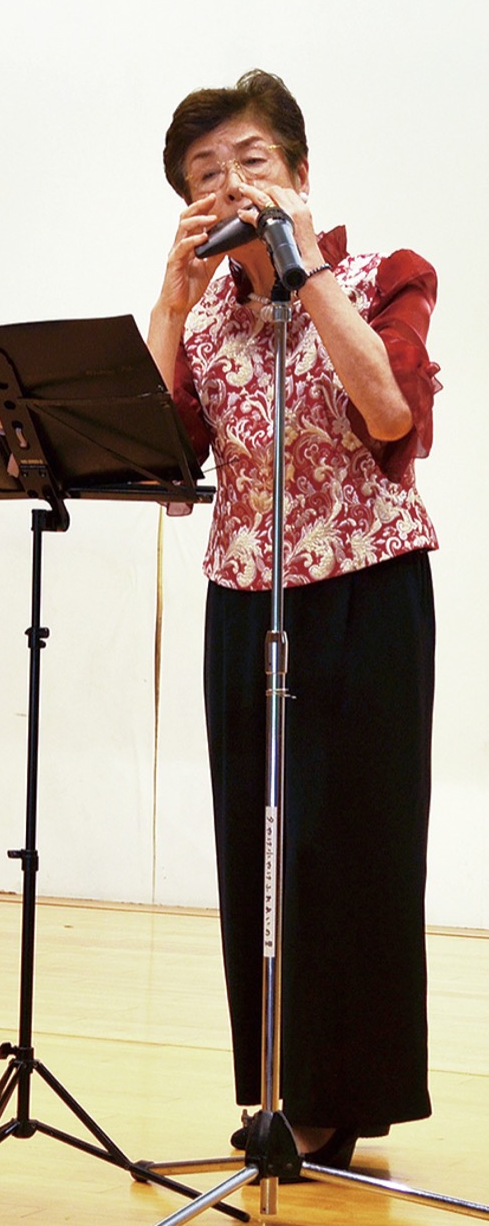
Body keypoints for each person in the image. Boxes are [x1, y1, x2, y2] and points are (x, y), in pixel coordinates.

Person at [147, 71, 439, 1171]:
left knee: (353, 844)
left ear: (302, 172)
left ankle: (348, 1094)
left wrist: (306, 270)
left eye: (253, 161)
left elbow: (390, 413)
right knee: (258, 846)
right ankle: (278, 1088)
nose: (231, 185)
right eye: (205, 174)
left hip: (368, 591)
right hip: (245, 598)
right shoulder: (206, 321)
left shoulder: (385, 276)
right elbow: (155, 467)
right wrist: (171, 301)